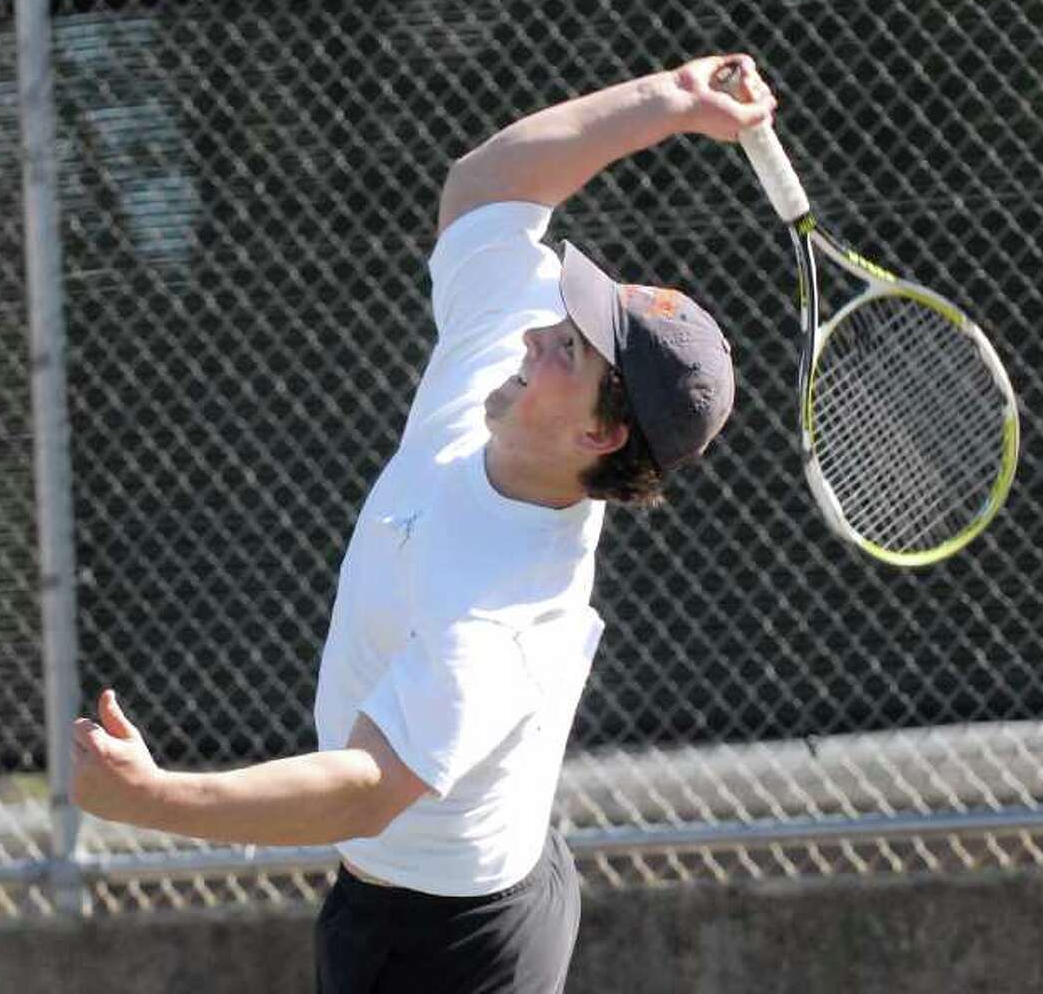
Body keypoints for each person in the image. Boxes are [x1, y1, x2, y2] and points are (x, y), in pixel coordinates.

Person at [71, 51, 777, 992]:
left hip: (455, 949)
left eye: (566, 344)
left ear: (599, 432)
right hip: (406, 893)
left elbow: (366, 788)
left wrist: (158, 798)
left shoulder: (506, 614)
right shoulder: (512, 369)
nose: (535, 333)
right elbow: (486, 187)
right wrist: (667, 101)